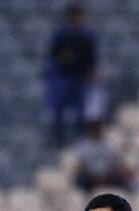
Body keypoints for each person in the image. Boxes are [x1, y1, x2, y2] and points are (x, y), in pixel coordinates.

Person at [45, 4, 98, 145]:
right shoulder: (61, 34)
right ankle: (58, 136)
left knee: (81, 110)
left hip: (80, 77)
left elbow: (92, 56)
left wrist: (92, 71)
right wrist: (62, 56)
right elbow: (53, 52)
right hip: (65, 76)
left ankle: (80, 137)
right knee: (59, 108)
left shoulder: (87, 35)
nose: (78, 19)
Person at [74, 121, 132, 191]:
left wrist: (106, 175)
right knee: (80, 180)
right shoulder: (84, 146)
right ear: (91, 131)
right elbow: (82, 165)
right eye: (95, 129)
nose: (97, 131)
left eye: (99, 129)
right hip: (91, 177)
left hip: (108, 175)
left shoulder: (109, 144)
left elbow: (115, 162)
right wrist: (94, 176)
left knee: (122, 179)